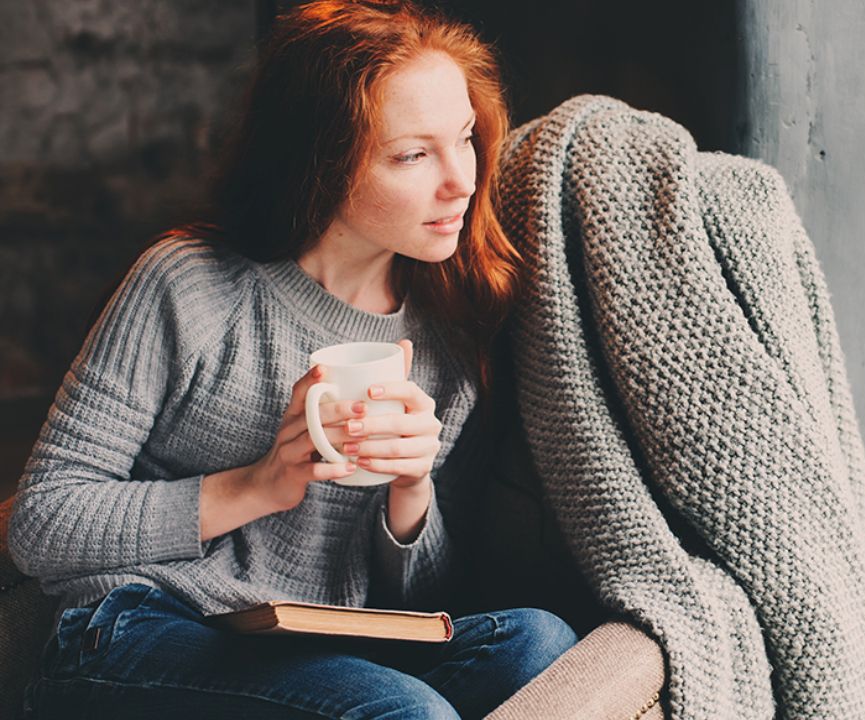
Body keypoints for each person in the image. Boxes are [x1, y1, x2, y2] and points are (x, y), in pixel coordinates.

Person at [7, 2, 577, 718]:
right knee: (407, 710)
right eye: (412, 155)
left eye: (463, 138)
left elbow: (423, 599)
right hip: (140, 628)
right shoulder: (190, 284)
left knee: (541, 645)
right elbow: (41, 523)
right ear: (323, 163)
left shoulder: (450, 333)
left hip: (315, 648)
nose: (461, 179)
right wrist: (256, 486)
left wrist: (411, 494)